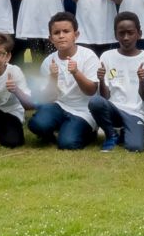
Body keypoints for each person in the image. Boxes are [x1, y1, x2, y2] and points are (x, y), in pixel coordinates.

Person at [29, 11, 101, 149]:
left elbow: (91, 91)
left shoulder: (88, 56)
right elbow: (48, 98)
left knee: (68, 144)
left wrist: (75, 72)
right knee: (37, 124)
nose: (61, 36)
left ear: (76, 35)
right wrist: (53, 77)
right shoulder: (48, 61)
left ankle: (87, 131)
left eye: (66, 31)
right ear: (51, 38)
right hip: (59, 105)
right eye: (56, 33)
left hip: (83, 111)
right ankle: (62, 128)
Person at [90, 12, 144, 152]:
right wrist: (101, 79)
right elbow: (105, 97)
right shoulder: (107, 56)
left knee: (135, 147)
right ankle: (111, 134)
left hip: (136, 113)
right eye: (121, 33)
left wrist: (141, 81)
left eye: (130, 33)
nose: (126, 37)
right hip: (114, 110)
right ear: (115, 35)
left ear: (139, 34)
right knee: (95, 102)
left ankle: (130, 132)